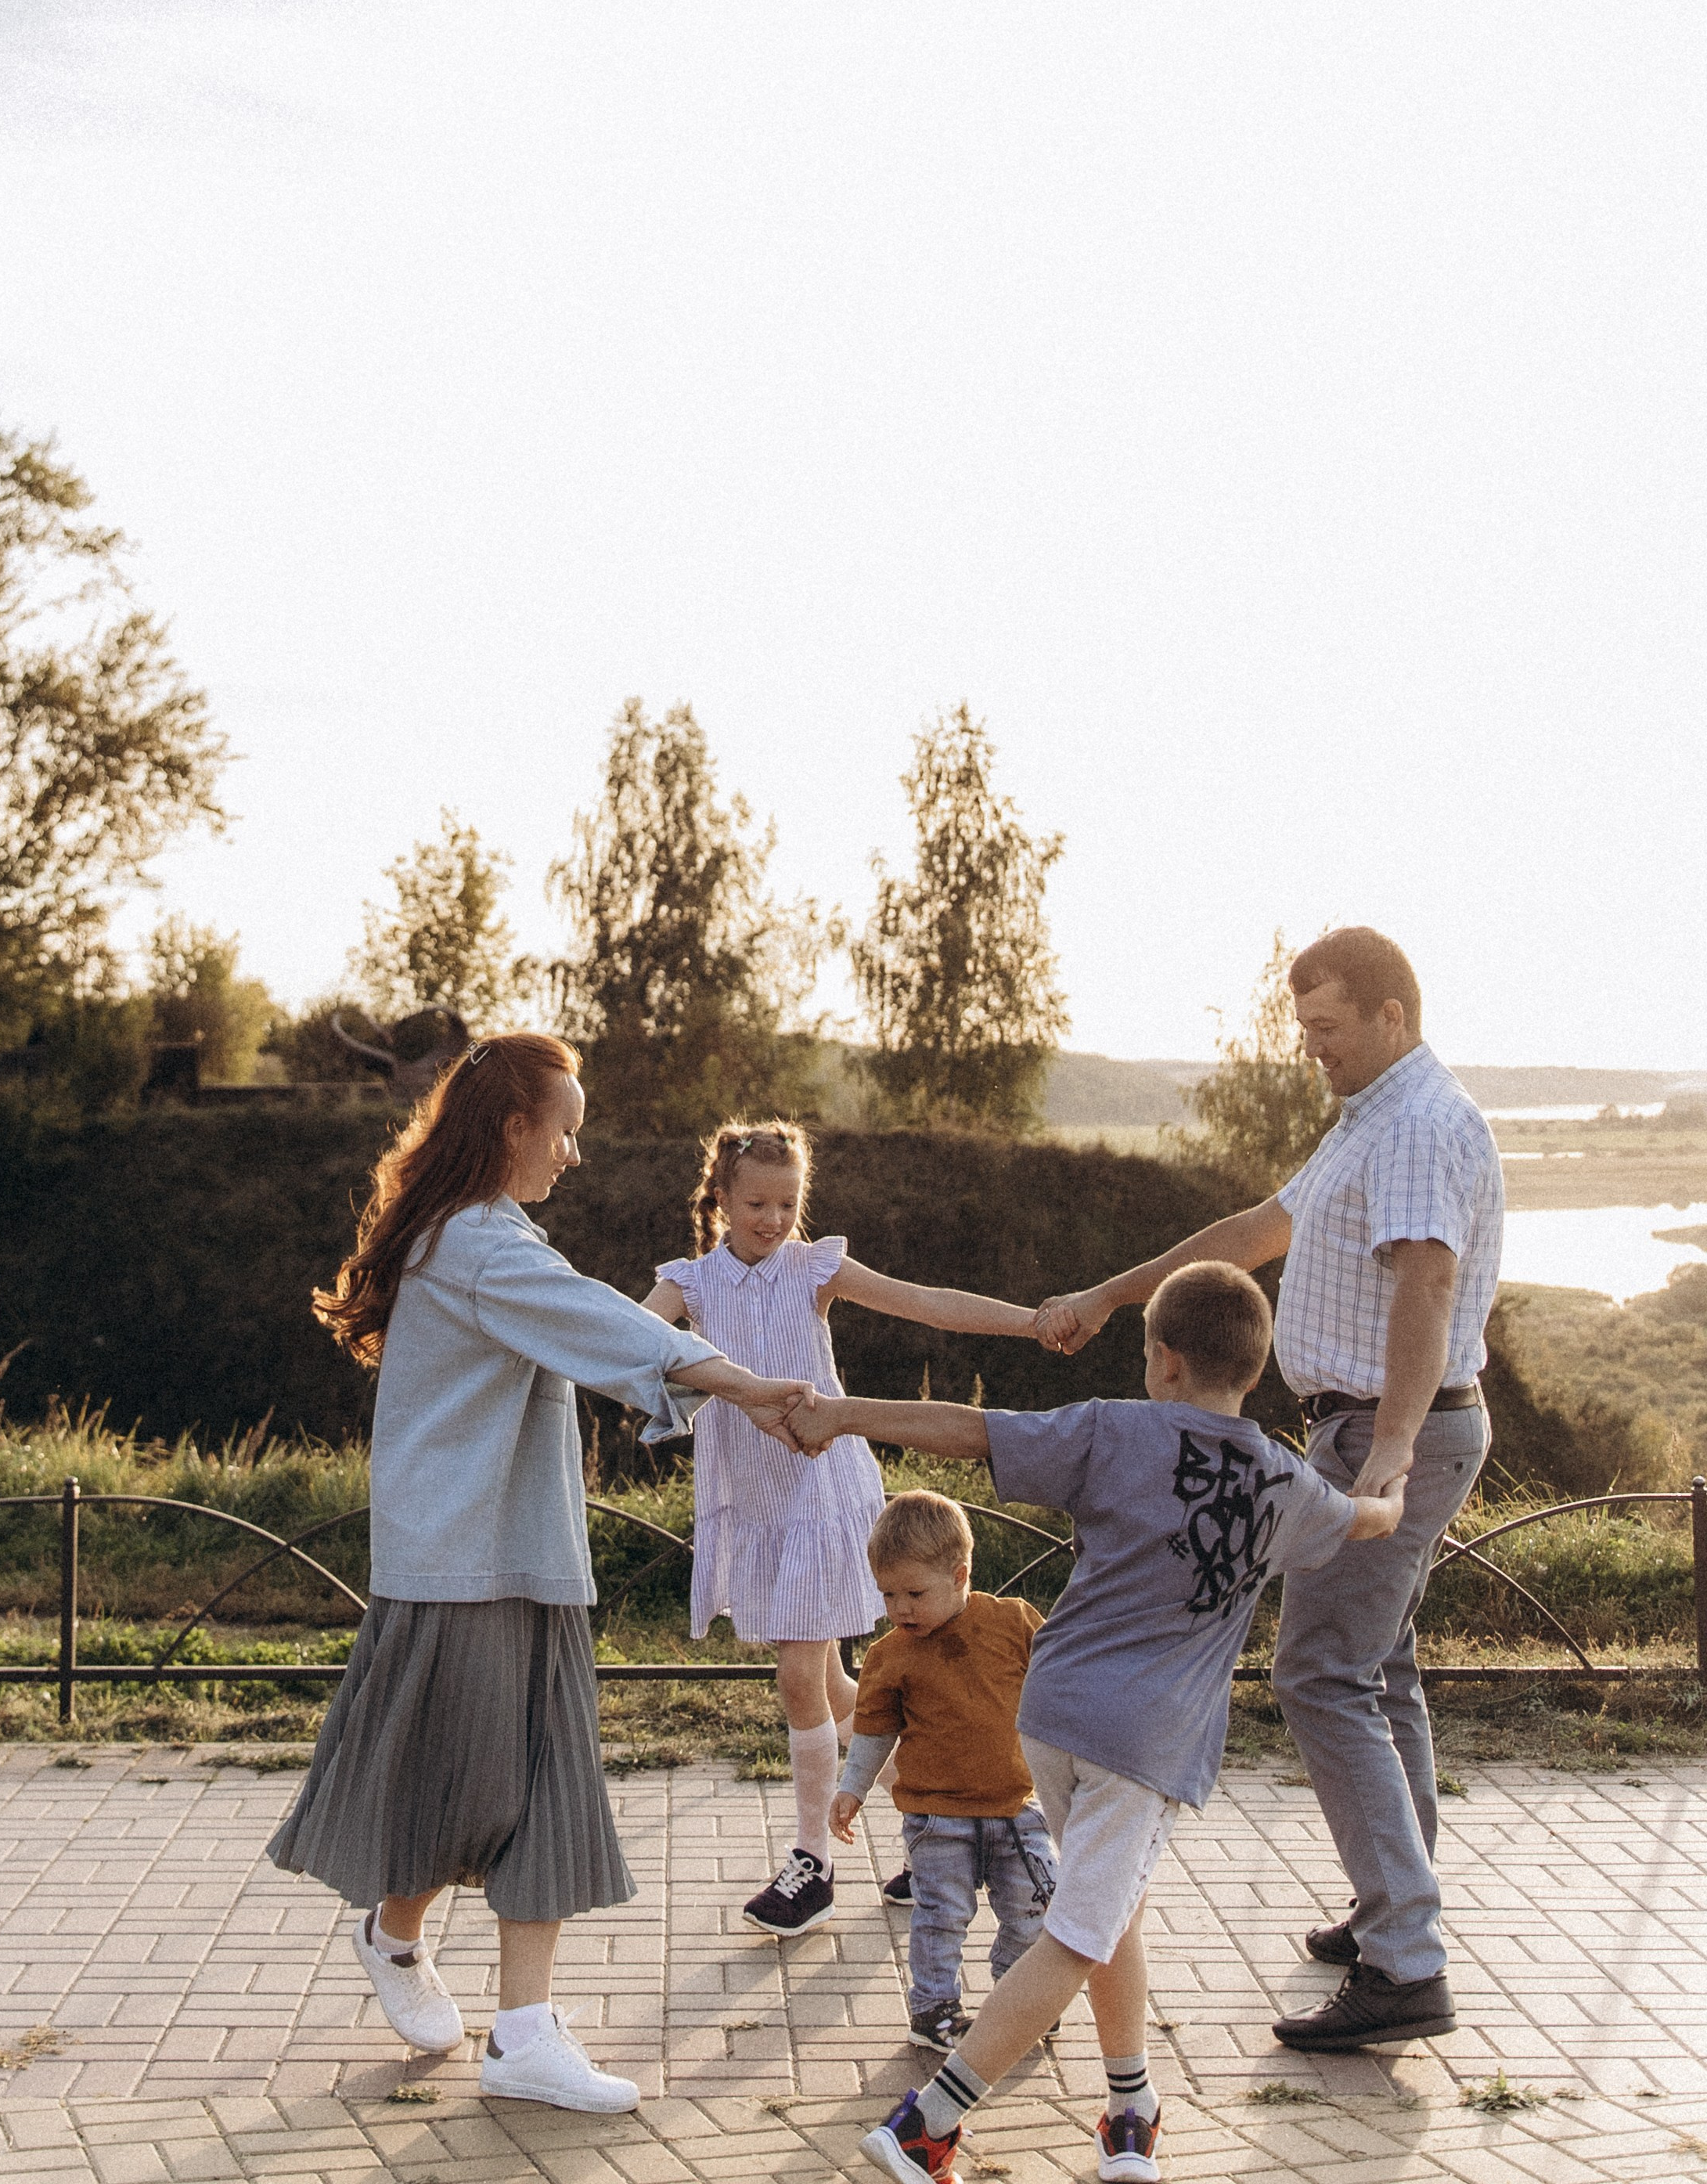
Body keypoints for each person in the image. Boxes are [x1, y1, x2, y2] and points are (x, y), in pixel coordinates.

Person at [269, 1033, 814, 2116]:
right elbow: (606, 1326)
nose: (574, 1151)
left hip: (525, 1554)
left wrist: (737, 1389)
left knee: (544, 1785)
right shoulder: (476, 1242)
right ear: (514, 1127)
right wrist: (753, 1389)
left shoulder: (488, 1235)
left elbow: (597, 1332)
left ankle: (521, 2032)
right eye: (564, 1129)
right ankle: (398, 1931)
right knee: (471, 1787)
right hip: (459, 1558)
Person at [787, 1263, 1405, 2184]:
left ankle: (1129, 2107)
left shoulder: (1114, 1429)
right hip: (1146, 1743)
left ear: (1162, 1360)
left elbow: (970, 1429)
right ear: (1255, 1367)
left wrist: (842, 1414)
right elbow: (1367, 1520)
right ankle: (930, 2123)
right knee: (1078, 1932)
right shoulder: (1286, 1484)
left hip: (1057, 1716)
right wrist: (1394, 1481)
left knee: (1111, 1911)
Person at [1033, 926, 1502, 2052]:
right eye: (1305, 1032)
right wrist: (1111, 1294)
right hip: (1381, 1428)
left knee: (1321, 1674)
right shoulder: (1370, 1121)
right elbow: (1254, 1234)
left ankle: (1407, 1957)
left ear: (1391, 1016)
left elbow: (1427, 1283)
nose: (1313, 1051)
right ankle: (1396, 1905)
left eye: (1329, 1030)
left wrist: (1387, 1448)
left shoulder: (1420, 1126)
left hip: (1393, 1433)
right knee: (1374, 1665)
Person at [643, 1119, 1047, 1934]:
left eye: (787, 1202)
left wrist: (1031, 1322)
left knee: (800, 1675)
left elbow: (925, 1303)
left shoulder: (815, 1268)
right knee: (833, 1689)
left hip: (824, 1493)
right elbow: (623, 1343)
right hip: (758, 1503)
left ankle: (813, 1865)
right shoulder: (688, 1284)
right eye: (756, 1202)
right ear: (720, 1196)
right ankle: (940, 1827)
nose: (772, 1218)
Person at [831, 1488, 1057, 2056]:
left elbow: (1063, 1681)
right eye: (888, 1594)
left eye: (914, 1593)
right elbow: (875, 1730)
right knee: (941, 1917)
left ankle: (1019, 1996)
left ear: (959, 1576)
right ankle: (933, 2008)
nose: (901, 1608)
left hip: (1017, 1810)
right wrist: (852, 1787)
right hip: (936, 1819)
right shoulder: (891, 1655)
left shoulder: (1013, 1623)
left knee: (1035, 1908)